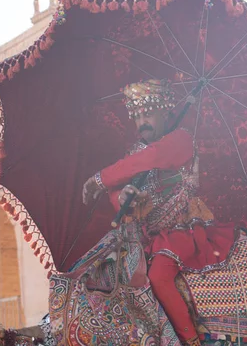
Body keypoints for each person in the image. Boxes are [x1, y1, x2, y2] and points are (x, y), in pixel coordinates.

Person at [82, 79, 238, 345]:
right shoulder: (135, 153)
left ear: (165, 113)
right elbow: (120, 190)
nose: (142, 121)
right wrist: (125, 198)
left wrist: (100, 178)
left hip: (182, 231)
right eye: (138, 115)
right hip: (147, 236)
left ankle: (189, 340)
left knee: (159, 275)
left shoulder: (180, 139)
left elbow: (153, 158)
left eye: (149, 114)